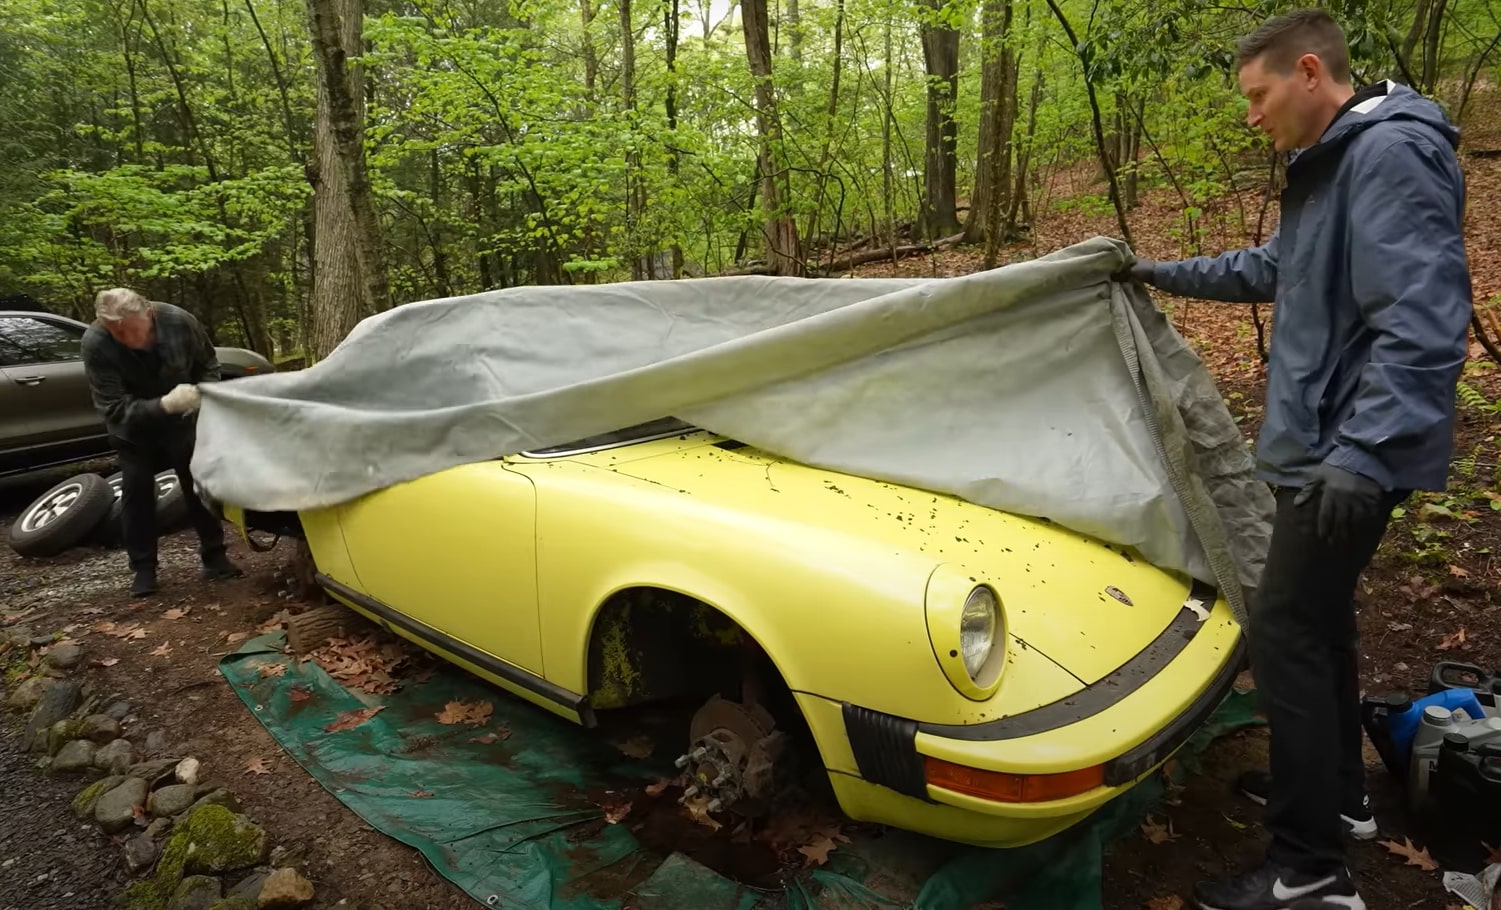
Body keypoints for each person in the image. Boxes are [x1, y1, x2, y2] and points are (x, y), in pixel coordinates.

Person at [1118, 10, 1472, 910]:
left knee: (1282, 634)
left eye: (1257, 94)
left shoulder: (1387, 155)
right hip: (1324, 444)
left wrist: (1363, 453)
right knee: (1318, 625)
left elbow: (1423, 321)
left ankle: (1308, 872)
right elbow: (1271, 266)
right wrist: (1153, 272)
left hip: (1344, 452)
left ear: (1308, 71)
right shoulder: (1337, 163)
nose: (1250, 116)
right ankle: (1340, 800)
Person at [81, 288, 243, 597]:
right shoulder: (96, 344)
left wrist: (203, 397)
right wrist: (164, 404)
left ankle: (215, 557)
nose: (127, 338)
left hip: (182, 422)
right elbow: (112, 408)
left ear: (149, 314)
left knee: (197, 484)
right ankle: (143, 569)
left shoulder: (179, 321)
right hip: (132, 429)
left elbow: (207, 363)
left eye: (133, 330)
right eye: (118, 333)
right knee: (137, 490)